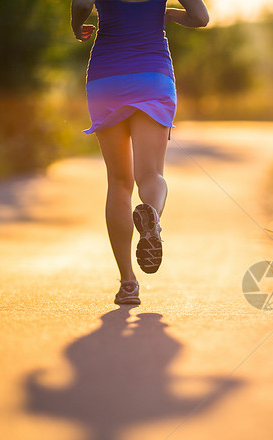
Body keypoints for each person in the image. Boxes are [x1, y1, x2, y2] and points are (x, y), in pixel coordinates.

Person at [70, 0, 209, 305]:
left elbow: (81, 3)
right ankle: (153, 218)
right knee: (152, 175)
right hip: (153, 76)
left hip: (107, 77)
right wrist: (168, 14)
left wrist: (76, 25)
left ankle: (128, 283)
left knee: (119, 182)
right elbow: (200, 18)